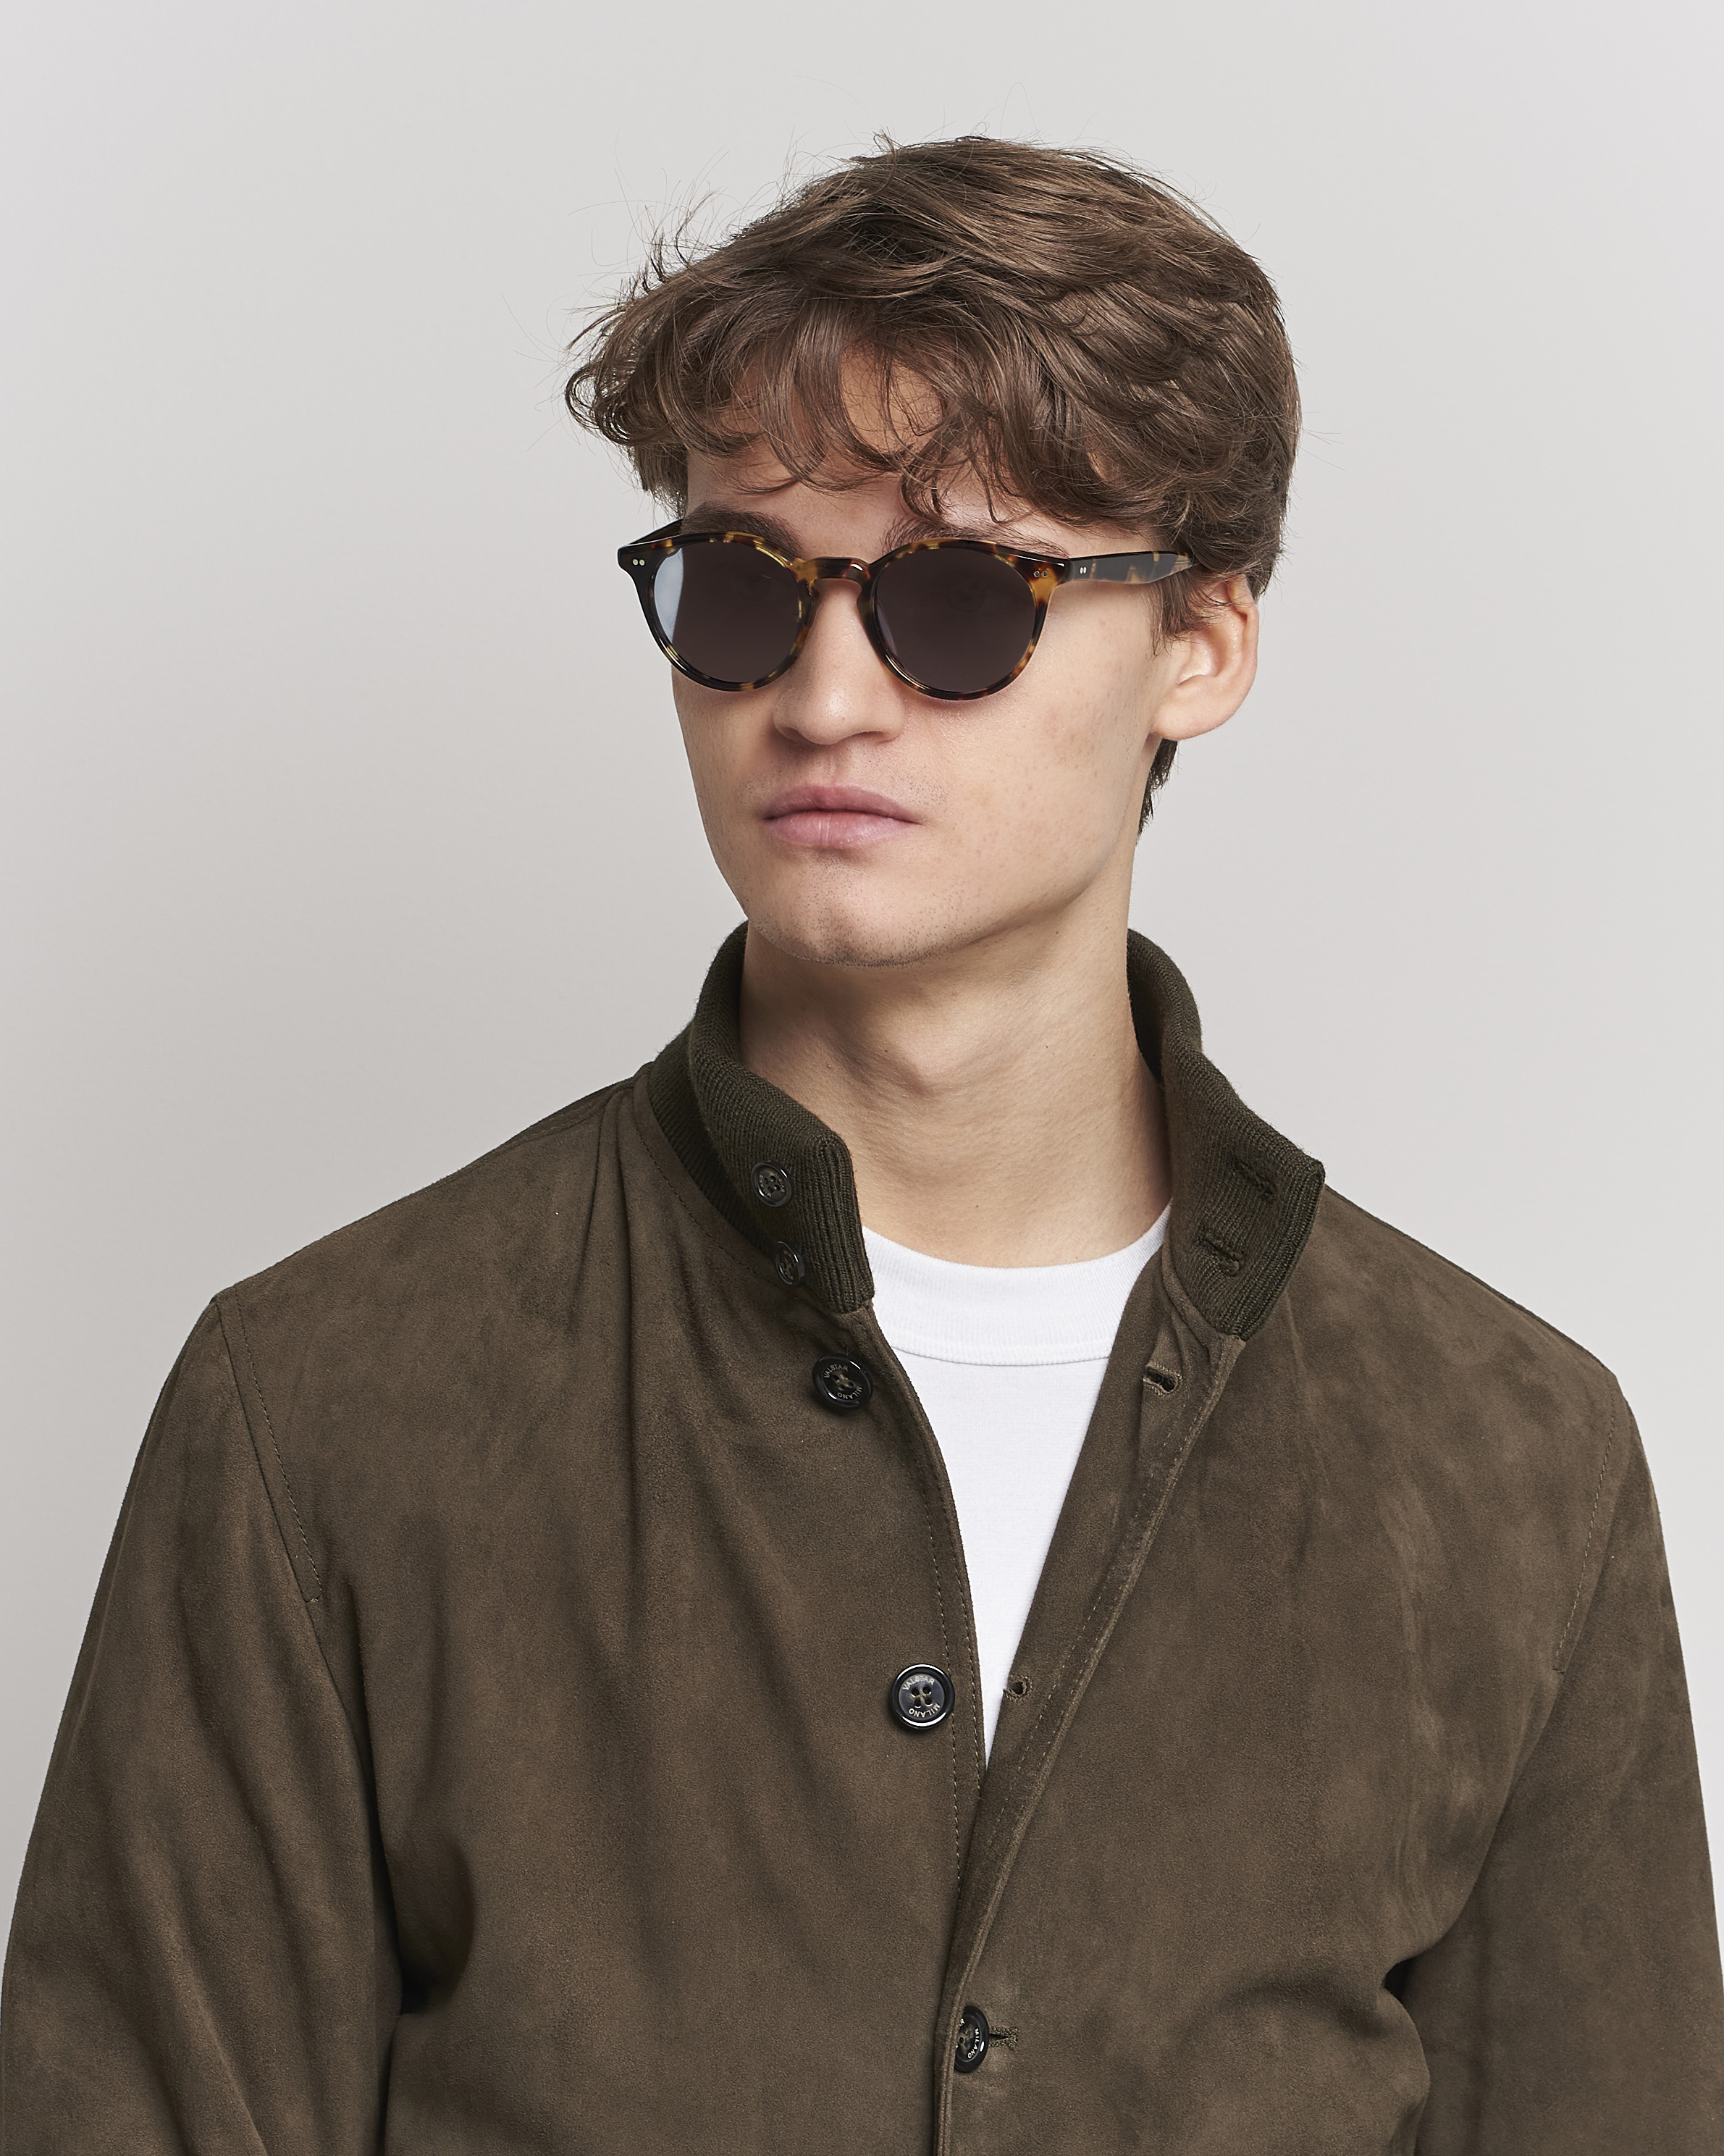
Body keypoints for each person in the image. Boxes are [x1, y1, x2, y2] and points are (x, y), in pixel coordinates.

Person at [2, 135, 1718, 2155]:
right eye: (743, 589)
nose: (822, 697)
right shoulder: (324, 1409)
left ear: (1202, 641)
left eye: (961, 602)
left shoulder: (1508, 1467)